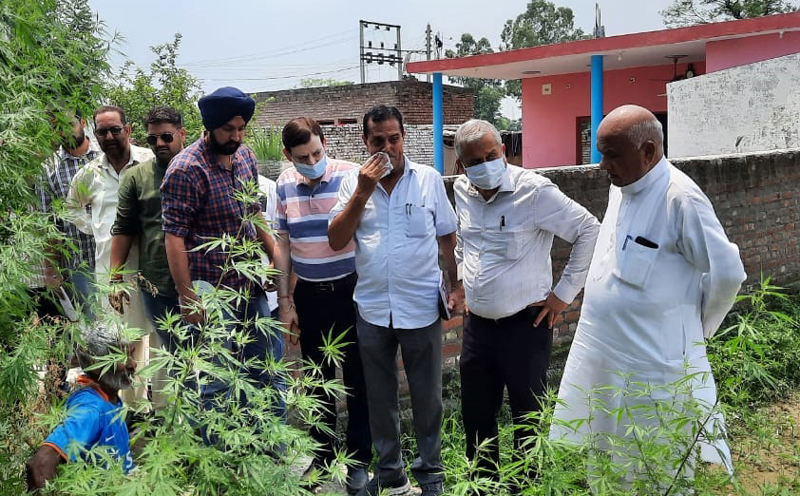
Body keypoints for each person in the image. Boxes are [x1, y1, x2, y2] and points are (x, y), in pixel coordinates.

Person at [550, 105, 746, 484]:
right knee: (605, 456)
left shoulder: (680, 198)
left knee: (656, 465)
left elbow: (728, 273)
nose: (602, 165)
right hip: (605, 358)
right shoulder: (622, 187)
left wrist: (697, 330)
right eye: (600, 153)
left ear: (649, 152)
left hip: (653, 368)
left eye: (611, 154)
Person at [452, 119, 599, 480]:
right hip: (477, 327)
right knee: (476, 416)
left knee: (526, 416)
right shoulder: (461, 190)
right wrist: (462, 282)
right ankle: (482, 486)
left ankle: (525, 486)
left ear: (503, 150)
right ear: (461, 166)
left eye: (492, 154)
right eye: (475, 161)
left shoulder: (533, 192)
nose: (486, 164)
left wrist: (562, 296)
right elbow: (462, 241)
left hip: (524, 326)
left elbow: (588, 229)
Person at [328, 105, 462, 496]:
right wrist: (362, 193)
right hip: (371, 308)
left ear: (403, 137)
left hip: (420, 306)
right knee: (379, 397)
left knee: (427, 398)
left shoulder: (429, 180)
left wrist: (455, 286)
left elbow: (447, 237)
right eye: (377, 140)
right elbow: (336, 240)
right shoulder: (352, 183)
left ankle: (430, 475)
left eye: (393, 138)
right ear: (364, 141)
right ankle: (390, 474)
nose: (387, 147)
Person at [160, 86, 284, 422]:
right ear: (210, 126)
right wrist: (188, 298)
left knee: (266, 369)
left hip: (248, 283)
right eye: (228, 129)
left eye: (241, 128)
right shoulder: (186, 169)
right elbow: (174, 238)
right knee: (217, 381)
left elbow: (254, 212)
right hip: (210, 290)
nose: (236, 136)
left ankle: (271, 453)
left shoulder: (245, 157)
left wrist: (275, 258)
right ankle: (220, 463)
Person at [274, 117, 371, 494]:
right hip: (309, 295)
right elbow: (282, 243)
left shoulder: (350, 176)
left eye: (317, 152)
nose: (312, 160)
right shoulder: (284, 184)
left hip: (352, 291)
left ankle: (360, 458)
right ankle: (324, 454)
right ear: (288, 155)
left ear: (325, 142)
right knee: (316, 381)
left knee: (358, 379)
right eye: (302, 156)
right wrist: (285, 301)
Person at [66, 105, 155, 410]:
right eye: (102, 131)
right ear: (95, 134)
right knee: (123, 342)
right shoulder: (89, 173)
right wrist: (96, 228)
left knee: (157, 337)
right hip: (112, 271)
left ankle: (165, 410)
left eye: (115, 129)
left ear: (127, 130)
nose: (109, 136)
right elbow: (71, 207)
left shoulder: (150, 160)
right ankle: (134, 408)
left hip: (153, 266)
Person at [108, 106, 186, 410]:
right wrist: (114, 279)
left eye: (166, 136)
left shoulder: (200, 168)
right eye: (153, 139)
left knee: (206, 355)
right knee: (168, 353)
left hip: (204, 279)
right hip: (158, 282)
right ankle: (170, 418)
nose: (160, 144)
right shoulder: (137, 177)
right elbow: (123, 228)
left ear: (182, 134)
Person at [27, 323, 137, 490]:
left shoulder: (109, 396)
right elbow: (40, 465)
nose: (132, 364)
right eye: (120, 357)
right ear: (97, 364)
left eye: (131, 354)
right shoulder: (91, 410)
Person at [37, 114, 100, 317]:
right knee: (95, 333)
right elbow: (50, 224)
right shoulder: (49, 171)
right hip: (79, 264)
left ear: (83, 123)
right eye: (58, 128)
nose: (64, 131)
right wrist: (52, 271)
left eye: (69, 124)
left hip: (118, 258)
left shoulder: (106, 156)